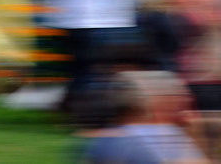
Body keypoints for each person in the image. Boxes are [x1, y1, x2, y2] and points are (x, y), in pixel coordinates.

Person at [79, 70, 210, 164]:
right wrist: (196, 133)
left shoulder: (106, 140)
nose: (185, 101)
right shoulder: (157, 136)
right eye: (178, 96)